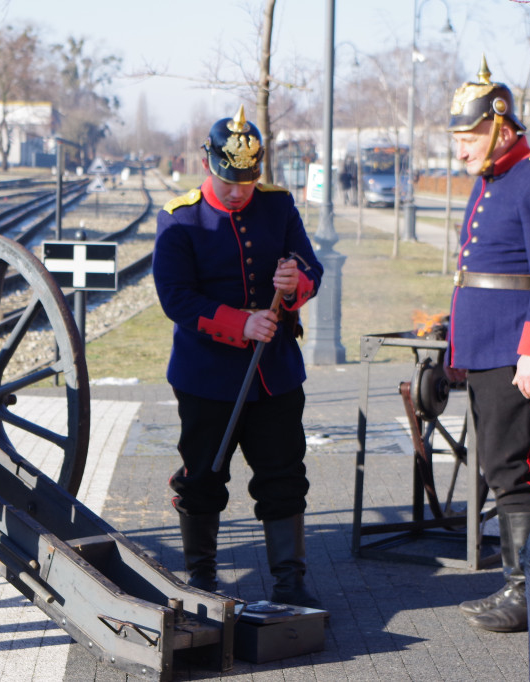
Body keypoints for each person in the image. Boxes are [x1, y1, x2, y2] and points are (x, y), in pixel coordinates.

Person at [153, 106, 324, 608]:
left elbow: (309, 266)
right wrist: (240, 322)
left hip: (275, 375)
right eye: (229, 180)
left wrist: (295, 286)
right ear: (208, 163)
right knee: (203, 477)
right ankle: (202, 581)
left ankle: (291, 583)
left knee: (284, 476)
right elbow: (176, 299)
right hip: (207, 377)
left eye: (247, 181)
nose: (237, 192)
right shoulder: (180, 218)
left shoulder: (278, 206)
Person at [444, 57, 530, 633]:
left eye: (468, 137)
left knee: (513, 468)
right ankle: (516, 582)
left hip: (511, 350)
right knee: (497, 466)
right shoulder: (494, 180)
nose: (459, 150)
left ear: (501, 129)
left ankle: (528, 592)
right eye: (456, 138)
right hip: (484, 347)